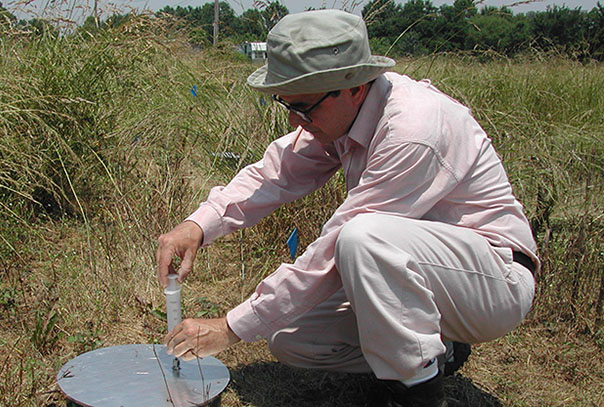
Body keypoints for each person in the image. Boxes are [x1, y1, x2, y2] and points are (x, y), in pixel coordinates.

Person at [157, 9, 537, 407]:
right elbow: (276, 173)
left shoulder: (413, 130)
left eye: (304, 107)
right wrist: (197, 225)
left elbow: (336, 247)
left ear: (353, 87)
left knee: (361, 237)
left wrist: (230, 327)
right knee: (292, 339)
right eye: (287, 105)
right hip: (423, 276)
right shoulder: (345, 113)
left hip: (491, 281)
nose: (295, 119)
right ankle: (436, 353)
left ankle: (417, 394)